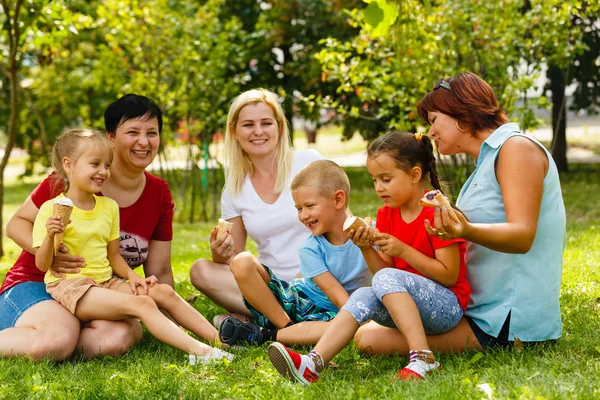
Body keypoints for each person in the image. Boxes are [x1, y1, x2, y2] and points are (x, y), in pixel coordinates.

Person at [353, 73, 566, 356]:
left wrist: (464, 229)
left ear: (461, 116)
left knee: (369, 338)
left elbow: (523, 235)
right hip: (474, 307)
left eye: (434, 120)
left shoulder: (516, 149)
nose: (431, 132)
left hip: (505, 320)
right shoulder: (487, 161)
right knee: (369, 325)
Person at [267, 131, 470, 383]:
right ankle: (313, 363)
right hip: (410, 308)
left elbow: (450, 276)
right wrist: (365, 248)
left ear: (415, 175)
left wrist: (404, 251)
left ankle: (424, 359)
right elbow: (383, 272)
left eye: (386, 179)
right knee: (364, 293)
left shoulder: (436, 212)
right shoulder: (386, 215)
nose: (378, 187)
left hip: (447, 307)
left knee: (385, 278)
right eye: (374, 180)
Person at [32, 128, 232, 364]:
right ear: (69, 164)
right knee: (144, 304)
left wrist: (131, 277)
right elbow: (42, 263)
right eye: (95, 164)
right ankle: (201, 353)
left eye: (107, 165)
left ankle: (220, 342)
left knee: (163, 292)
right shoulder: (51, 209)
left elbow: (114, 256)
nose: (103, 172)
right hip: (72, 287)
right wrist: (50, 235)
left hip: (106, 282)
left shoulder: (108, 207)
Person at [0, 94, 175, 360]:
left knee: (120, 337)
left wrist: (164, 324)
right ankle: (53, 336)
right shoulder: (72, 181)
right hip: (39, 282)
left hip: (97, 291)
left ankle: (60, 337)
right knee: (56, 340)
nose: (144, 141)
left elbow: (159, 269)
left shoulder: (158, 192)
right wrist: (50, 255)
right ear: (111, 138)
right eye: (132, 132)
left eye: (152, 132)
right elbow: (15, 225)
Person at [189, 89, 323, 320]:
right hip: (271, 285)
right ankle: (283, 316)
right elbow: (234, 257)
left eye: (266, 123)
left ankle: (267, 321)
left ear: (279, 127)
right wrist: (219, 252)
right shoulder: (234, 188)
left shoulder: (309, 162)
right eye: (248, 125)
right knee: (201, 270)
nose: (258, 131)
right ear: (235, 132)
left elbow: (344, 228)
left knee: (228, 318)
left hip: (320, 278)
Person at [217, 160, 372, 346]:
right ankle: (287, 330)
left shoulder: (370, 233)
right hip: (297, 303)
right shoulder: (310, 249)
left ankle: (262, 334)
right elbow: (337, 296)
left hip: (332, 315)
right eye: (299, 208)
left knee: (342, 327)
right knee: (241, 261)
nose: (303, 215)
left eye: (310, 206)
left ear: (338, 200)